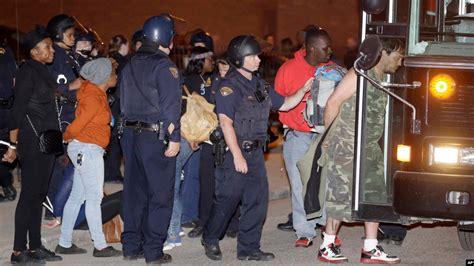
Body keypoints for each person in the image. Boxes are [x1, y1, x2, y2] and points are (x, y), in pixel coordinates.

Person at [201, 35, 314, 262]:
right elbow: (225, 122)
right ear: (239, 59)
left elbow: (284, 103)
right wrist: (236, 155)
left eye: (257, 55)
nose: (258, 60)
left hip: (254, 154)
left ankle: (248, 248)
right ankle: (210, 238)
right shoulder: (228, 87)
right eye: (252, 56)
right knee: (227, 198)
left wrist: (303, 91)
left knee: (257, 202)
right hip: (234, 153)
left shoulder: (260, 85)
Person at [317, 38, 404, 264]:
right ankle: (327, 245)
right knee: (339, 194)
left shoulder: (382, 77)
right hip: (346, 145)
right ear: (383, 54)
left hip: (369, 147)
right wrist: (329, 139)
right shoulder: (358, 74)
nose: (401, 62)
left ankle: (370, 248)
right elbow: (333, 103)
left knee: (374, 195)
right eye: (397, 57)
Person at [119, 14, 181, 264]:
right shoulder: (165, 66)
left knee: (134, 193)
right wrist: (174, 138)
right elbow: (171, 107)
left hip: (130, 135)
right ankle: (154, 251)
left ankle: (131, 246)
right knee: (160, 194)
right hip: (155, 136)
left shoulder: (129, 63)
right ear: (166, 38)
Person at [5, 25, 62, 264]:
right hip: (31, 141)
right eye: (47, 47)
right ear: (34, 51)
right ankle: (19, 251)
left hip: (46, 140)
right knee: (29, 195)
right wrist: (12, 145)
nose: (52, 51)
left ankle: (35, 245)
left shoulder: (42, 70)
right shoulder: (28, 71)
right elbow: (18, 110)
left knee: (38, 195)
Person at [55, 58, 122, 257]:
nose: (116, 76)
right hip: (88, 149)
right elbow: (76, 126)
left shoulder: (97, 94)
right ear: (104, 77)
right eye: (113, 73)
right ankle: (100, 246)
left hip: (87, 148)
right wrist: (66, 138)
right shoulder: (93, 97)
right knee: (94, 198)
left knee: (77, 198)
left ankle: (64, 243)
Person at [274, 28, 335, 247]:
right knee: (299, 186)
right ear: (311, 49)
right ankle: (304, 230)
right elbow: (278, 102)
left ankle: (328, 228)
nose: (330, 51)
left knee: (326, 184)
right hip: (297, 135)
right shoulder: (288, 69)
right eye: (325, 48)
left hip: (323, 137)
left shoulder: (330, 70)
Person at [163, 46, 213, 250]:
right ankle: (177, 226)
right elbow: (184, 112)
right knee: (176, 182)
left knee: (186, 179)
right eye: (210, 59)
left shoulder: (203, 80)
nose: (213, 62)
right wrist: (189, 136)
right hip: (187, 136)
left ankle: (178, 226)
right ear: (200, 60)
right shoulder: (189, 80)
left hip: (192, 136)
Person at [188, 55, 239, 239]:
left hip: (232, 137)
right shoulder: (213, 81)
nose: (223, 73)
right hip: (211, 137)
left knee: (230, 182)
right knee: (206, 180)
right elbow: (205, 110)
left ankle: (233, 222)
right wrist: (197, 135)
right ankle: (203, 221)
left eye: (227, 70)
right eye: (221, 69)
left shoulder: (240, 83)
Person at [45, 14, 81, 221]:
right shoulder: (55, 56)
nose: (73, 37)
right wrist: (71, 86)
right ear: (59, 34)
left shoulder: (67, 55)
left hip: (71, 114)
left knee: (69, 164)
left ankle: (62, 205)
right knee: (60, 164)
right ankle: (51, 208)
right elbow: (49, 88)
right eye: (70, 34)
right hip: (60, 117)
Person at [104, 35, 129, 183]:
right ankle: (112, 173)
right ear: (123, 46)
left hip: (107, 102)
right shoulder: (124, 62)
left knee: (108, 137)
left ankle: (108, 171)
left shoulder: (106, 58)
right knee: (116, 139)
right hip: (119, 103)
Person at [0, 41, 17, 202]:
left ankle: (6, 182)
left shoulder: (5, 49)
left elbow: (14, 79)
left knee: (6, 147)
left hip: (6, 108)